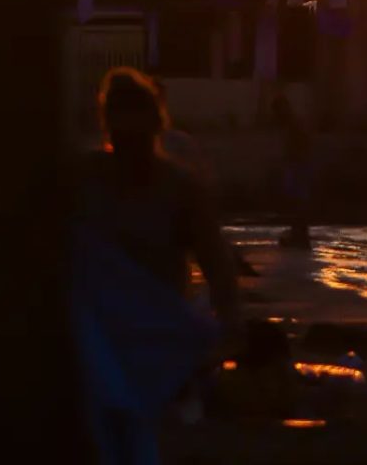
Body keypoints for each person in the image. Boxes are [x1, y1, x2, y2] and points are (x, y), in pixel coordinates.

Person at [75, 68, 240, 464]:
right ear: (108, 130)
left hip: (155, 331)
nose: (130, 145)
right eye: (121, 133)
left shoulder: (180, 189)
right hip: (101, 332)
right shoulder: (83, 180)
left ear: (155, 128)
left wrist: (233, 327)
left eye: (138, 135)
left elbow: (217, 264)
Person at [271, 91, 313, 249]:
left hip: (299, 166)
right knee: (296, 204)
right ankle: (299, 235)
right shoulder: (293, 124)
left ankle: (300, 237)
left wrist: (292, 161)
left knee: (298, 204)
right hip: (297, 166)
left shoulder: (295, 124)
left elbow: (302, 146)